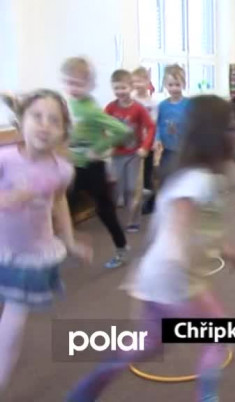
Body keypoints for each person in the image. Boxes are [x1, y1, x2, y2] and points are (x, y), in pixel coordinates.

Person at [66, 95, 235, 402]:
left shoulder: (197, 177)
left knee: (149, 345)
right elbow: (179, 225)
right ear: (214, 136)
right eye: (231, 127)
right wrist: (178, 263)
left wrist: (225, 248)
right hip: (177, 279)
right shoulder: (198, 181)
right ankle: (207, 397)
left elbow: (202, 226)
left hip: (157, 277)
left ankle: (86, 390)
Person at [0, 90, 92, 395]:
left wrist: (70, 240)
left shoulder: (61, 169)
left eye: (54, 120)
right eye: (37, 116)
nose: (44, 125)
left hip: (31, 255)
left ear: (63, 132)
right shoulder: (5, 159)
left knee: (13, 324)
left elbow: (59, 201)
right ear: (21, 121)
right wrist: (8, 199)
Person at [62, 56, 132, 269]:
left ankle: (121, 247)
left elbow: (123, 130)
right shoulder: (70, 104)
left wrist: (99, 148)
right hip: (74, 167)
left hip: (93, 168)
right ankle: (69, 245)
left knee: (105, 210)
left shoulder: (91, 110)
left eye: (78, 84)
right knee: (63, 206)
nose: (73, 88)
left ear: (90, 84)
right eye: (69, 83)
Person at [105, 69, 156, 233]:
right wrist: (106, 144)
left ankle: (134, 220)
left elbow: (151, 126)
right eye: (116, 88)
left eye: (124, 88)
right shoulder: (110, 108)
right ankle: (141, 195)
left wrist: (145, 147)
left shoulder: (138, 108)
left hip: (134, 154)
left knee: (132, 188)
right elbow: (101, 125)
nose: (120, 92)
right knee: (118, 189)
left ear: (131, 87)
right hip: (117, 155)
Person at [144, 64, 190, 214]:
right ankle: (160, 202)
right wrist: (157, 139)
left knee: (182, 176)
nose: (174, 88)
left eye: (177, 84)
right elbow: (157, 125)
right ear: (165, 85)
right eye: (170, 85)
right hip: (168, 149)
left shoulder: (189, 104)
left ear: (183, 84)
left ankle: (183, 202)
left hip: (184, 149)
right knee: (164, 176)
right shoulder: (162, 106)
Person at [131, 67, 158, 197]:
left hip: (148, 140)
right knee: (133, 167)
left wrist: (155, 140)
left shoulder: (152, 103)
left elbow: (154, 122)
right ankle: (133, 190)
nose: (137, 85)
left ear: (147, 82)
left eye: (140, 81)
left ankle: (148, 190)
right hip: (134, 141)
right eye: (134, 82)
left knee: (148, 167)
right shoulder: (131, 100)